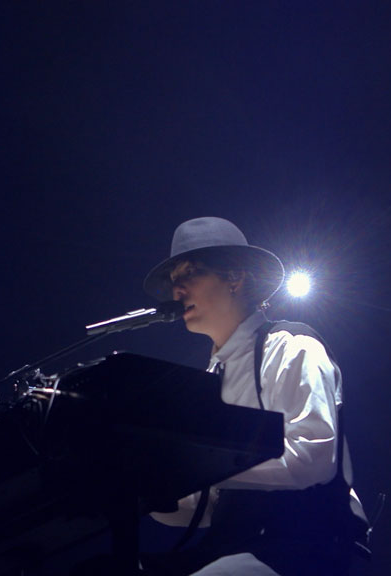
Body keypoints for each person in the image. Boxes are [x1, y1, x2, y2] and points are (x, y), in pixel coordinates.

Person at [141, 217, 369, 576]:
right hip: (236, 546)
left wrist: (198, 468)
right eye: (174, 279)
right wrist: (142, 488)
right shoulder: (211, 377)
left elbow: (312, 458)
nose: (177, 289)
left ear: (235, 277)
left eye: (191, 273)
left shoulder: (292, 346)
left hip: (306, 544)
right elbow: (207, 504)